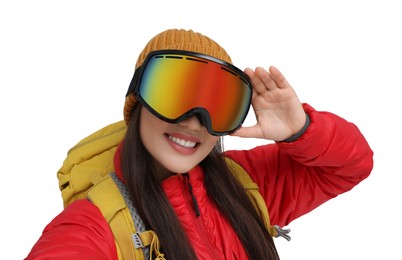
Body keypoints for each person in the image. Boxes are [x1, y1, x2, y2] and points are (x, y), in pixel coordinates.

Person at [26, 28, 373, 260]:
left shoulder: (246, 185)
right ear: (138, 99)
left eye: (217, 106)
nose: (193, 122)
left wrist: (300, 130)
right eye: (173, 94)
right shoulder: (93, 226)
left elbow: (351, 165)